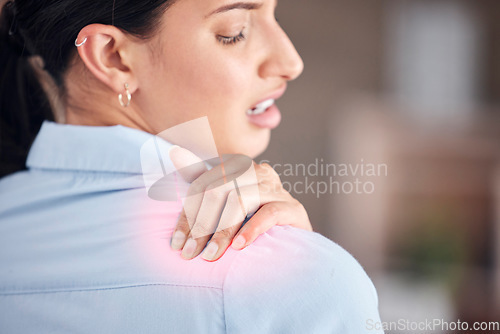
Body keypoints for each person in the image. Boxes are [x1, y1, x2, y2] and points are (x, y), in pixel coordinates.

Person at [0, 0, 384, 333]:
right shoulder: (294, 281)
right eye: (235, 31)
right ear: (112, 57)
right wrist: (306, 272)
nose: (290, 62)